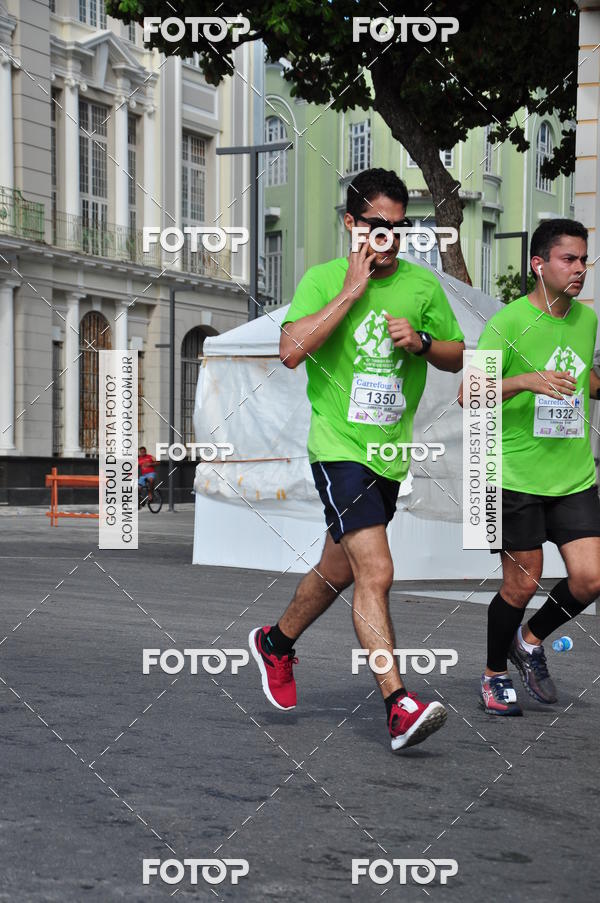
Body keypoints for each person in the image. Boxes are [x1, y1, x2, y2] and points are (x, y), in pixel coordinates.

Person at [249, 168, 465, 751]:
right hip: (338, 449)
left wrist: (420, 342)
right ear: (352, 224)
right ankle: (398, 706)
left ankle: (276, 642)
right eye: (377, 226)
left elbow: (455, 355)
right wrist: (351, 289)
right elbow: (291, 351)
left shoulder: (422, 287)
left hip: (389, 456)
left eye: (400, 227)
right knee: (377, 571)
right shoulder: (323, 279)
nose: (390, 238)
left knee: (337, 570)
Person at [463, 218, 600, 715]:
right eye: (569, 259)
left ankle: (530, 640)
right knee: (522, 582)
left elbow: (585, 378)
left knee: (590, 578)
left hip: (573, 475)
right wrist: (526, 381)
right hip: (514, 475)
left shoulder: (587, 321)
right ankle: (494, 674)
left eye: (584, 259)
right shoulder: (510, 322)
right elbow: (469, 394)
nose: (580, 268)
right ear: (538, 264)